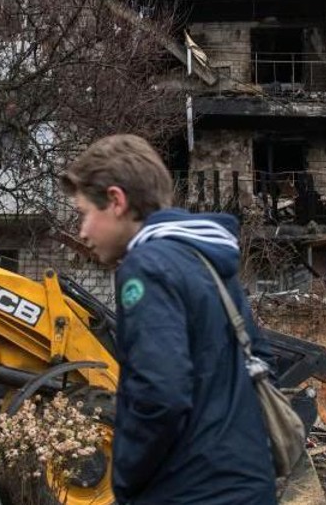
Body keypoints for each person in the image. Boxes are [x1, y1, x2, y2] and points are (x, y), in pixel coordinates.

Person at [62, 134, 277, 504]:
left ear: (116, 201)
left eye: (84, 214)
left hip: (187, 491)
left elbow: (160, 394)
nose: (82, 231)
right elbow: (259, 359)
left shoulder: (147, 267)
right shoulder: (206, 260)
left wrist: (126, 479)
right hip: (245, 486)